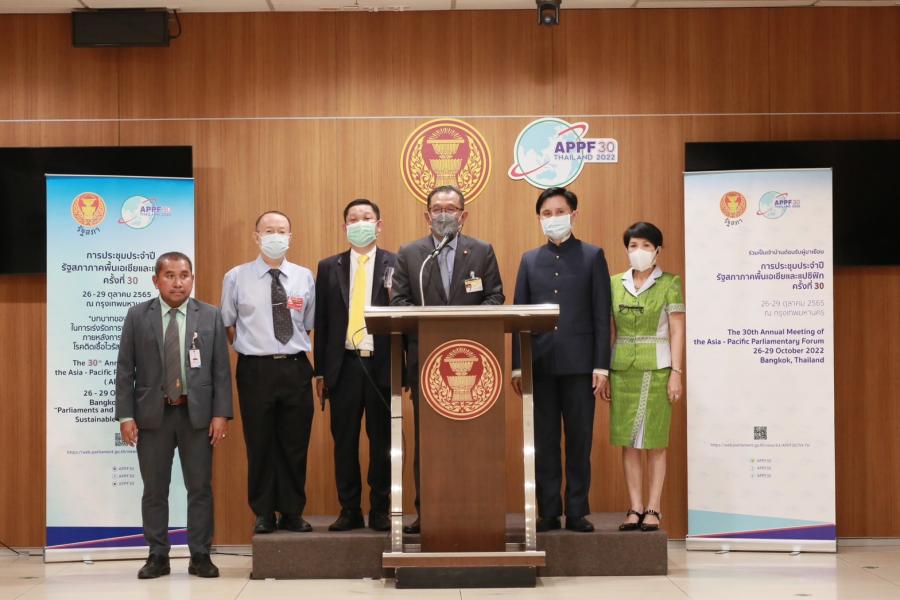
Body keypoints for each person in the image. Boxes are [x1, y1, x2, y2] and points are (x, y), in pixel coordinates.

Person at [390, 184, 504, 534]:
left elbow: (495, 298)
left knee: (474, 440)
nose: (444, 215)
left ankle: (477, 511)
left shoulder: (481, 251)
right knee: (429, 442)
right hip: (426, 363)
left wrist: (464, 325)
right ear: (427, 216)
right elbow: (398, 302)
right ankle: (428, 513)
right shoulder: (411, 253)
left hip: (474, 361)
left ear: (463, 215)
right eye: (437, 209)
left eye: (450, 209)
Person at [115, 252, 232, 579]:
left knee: (200, 488)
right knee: (155, 489)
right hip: (153, 417)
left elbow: (221, 371)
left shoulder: (209, 315)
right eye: (169, 275)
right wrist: (125, 416)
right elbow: (125, 370)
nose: (177, 282)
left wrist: (221, 414)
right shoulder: (137, 316)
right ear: (156, 280)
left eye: (184, 275)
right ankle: (157, 555)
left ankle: (200, 555)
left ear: (192, 279)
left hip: (197, 416)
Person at [511, 187, 611, 533]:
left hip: (581, 366)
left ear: (573, 215)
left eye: (559, 212)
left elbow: (601, 315)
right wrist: (518, 365)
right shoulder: (529, 260)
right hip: (540, 365)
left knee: (580, 440)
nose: (553, 218)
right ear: (539, 219)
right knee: (545, 441)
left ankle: (578, 510)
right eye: (546, 214)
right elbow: (520, 316)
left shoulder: (592, 256)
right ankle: (549, 511)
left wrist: (601, 365)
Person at [220, 211, 316, 534]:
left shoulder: (304, 277)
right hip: (255, 370)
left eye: (282, 230)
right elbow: (228, 324)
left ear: (291, 236)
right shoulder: (236, 277)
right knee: (259, 443)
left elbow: (308, 324)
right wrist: (254, 346)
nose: (276, 236)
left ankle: (291, 511)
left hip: (295, 367)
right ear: (256, 236)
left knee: (295, 443)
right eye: (269, 230)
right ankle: (263, 512)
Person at [314, 199, 396, 532]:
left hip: (381, 365)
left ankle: (380, 509)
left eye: (367, 217)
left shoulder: (397, 263)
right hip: (343, 366)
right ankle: (349, 509)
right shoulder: (328, 266)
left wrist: (403, 368)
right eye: (353, 219)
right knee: (344, 441)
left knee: (382, 442)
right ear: (344, 226)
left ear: (379, 224)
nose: (360, 223)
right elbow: (321, 321)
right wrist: (321, 371)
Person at [606, 222, 685, 533]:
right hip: (622, 370)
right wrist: (605, 371)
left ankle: (654, 508)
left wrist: (676, 372)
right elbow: (610, 331)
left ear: (657, 250)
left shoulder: (670, 283)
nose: (639, 251)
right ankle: (635, 507)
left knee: (655, 441)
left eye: (646, 246)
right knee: (628, 442)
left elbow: (677, 329)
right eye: (633, 245)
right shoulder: (614, 283)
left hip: (658, 368)